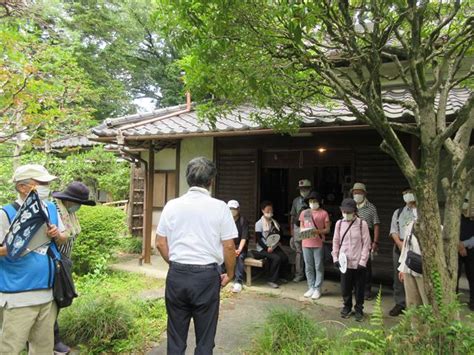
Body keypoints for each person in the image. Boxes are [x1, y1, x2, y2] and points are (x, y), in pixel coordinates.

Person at [156, 157, 237, 355]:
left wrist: (174, 263)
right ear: (211, 181)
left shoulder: (171, 205)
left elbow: (159, 242)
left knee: (175, 336)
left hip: (177, 275)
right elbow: (228, 246)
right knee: (205, 338)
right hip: (206, 277)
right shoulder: (220, 207)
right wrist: (230, 273)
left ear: (187, 179)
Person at [0, 164, 67, 354]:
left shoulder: (51, 208)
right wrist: (15, 248)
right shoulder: (6, 213)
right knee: (10, 349)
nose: (46, 187)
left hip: (48, 293)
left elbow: (63, 237)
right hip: (17, 296)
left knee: (43, 349)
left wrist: (57, 235)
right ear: (22, 187)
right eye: (41, 183)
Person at [52, 181, 96, 354]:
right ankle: (53, 341)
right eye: (78, 203)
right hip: (54, 262)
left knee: (60, 299)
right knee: (54, 299)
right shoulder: (55, 211)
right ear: (69, 200)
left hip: (65, 261)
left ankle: (53, 339)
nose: (79, 207)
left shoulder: (70, 214)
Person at [332, 198, 371, 321]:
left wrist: (363, 261)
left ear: (355, 211)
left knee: (359, 288)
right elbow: (336, 241)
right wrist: (335, 257)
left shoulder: (361, 224)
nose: (347, 214)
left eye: (349, 212)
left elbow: (366, 244)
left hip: (359, 263)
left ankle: (359, 309)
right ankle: (347, 307)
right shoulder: (339, 224)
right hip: (344, 262)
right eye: (344, 211)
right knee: (345, 287)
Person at [388, 187, 417, 316]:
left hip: (416, 249)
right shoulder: (398, 212)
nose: (407, 196)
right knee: (398, 276)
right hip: (399, 247)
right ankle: (400, 303)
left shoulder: (421, 211)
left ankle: (415, 305)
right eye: (404, 194)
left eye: (409, 193)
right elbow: (393, 230)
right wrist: (400, 244)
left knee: (415, 276)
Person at [351, 182, 380, 300]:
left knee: (366, 266)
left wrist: (376, 242)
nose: (356, 194)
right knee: (353, 265)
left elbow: (376, 225)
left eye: (359, 192)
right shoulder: (351, 206)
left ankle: (367, 290)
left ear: (364, 193)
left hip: (366, 239)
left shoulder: (371, 207)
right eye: (354, 192)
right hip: (353, 240)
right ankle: (355, 288)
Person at [299, 191, 331, 300]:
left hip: (318, 243)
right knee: (308, 266)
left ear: (319, 202)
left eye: (315, 201)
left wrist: (317, 231)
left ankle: (318, 288)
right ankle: (311, 287)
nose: (313, 203)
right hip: (306, 242)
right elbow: (301, 227)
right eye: (311, 201)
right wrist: (304, 232)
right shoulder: (305, 213)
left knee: (318, 266)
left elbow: (327, 229)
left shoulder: (324, 213)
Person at [253, 200, 289, 288]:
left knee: (284, 257)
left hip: (273, 245)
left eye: (271, 211)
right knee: (276, 258)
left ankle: (281, 276)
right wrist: (266, 248)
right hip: (262, 248)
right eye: (267, 211)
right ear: (262, 211)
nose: (270, 213)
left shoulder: (274, 222)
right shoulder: (259, 223)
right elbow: (258, 239)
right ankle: (271, 280)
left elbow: (279, 233)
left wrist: (278, 241)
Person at [398, 219, 427, 307]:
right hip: (409, 268)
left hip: (425, 271)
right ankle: (413, 321)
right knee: (411, 302)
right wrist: (402, 268)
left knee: (426, 302)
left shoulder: (438, 228)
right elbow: (406, 246)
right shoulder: (411, 225)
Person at [290, 179, 312, 282]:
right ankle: (299, 274)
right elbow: (292, 215)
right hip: (297, 227)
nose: (303, 190)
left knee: (309, 251)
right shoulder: (295, 200)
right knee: (299, 251)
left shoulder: (314, 200)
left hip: (309, 227)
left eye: (305, 188)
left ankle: (310, 275)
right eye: (301, 188)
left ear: (309, 189)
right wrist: (292, 230)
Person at [227, 200, 249, 293]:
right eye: (230, 209)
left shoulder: (243, 221)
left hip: (240, 247)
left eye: (234, 209)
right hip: (229, 246)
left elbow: (244, 238)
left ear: (238, 209)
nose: (232, 211)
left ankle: (238, 282)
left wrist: (239, 249)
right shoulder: (226, 221)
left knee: (240, 258)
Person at [458, 194, 474, 311]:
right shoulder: (455, 216)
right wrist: (459, 245)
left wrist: (464, 245)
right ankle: (452, 300)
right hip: (455, 249)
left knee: (472, 275)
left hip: (471, 249)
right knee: (454, 275)